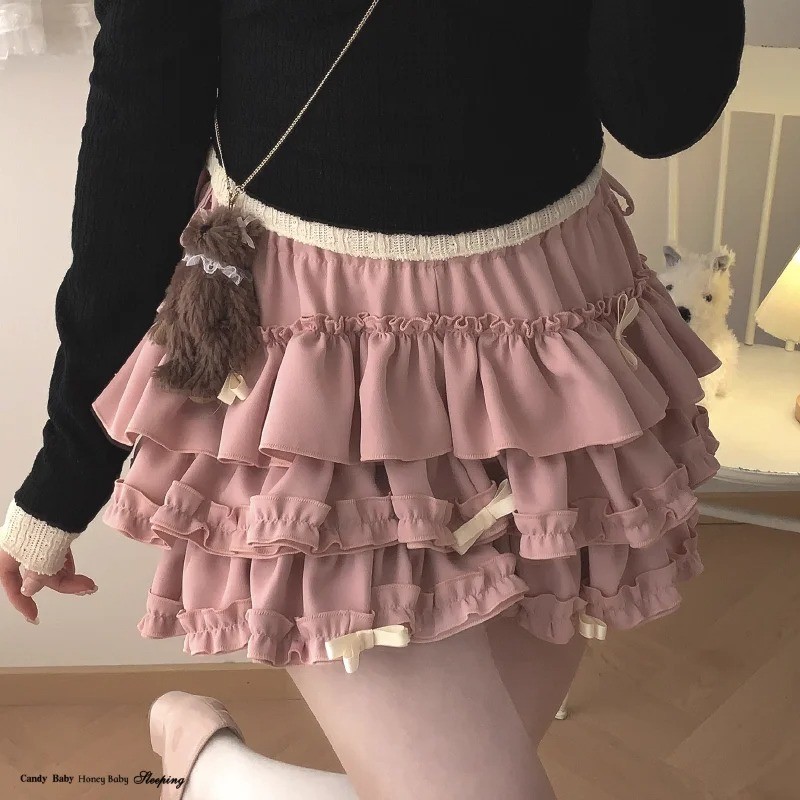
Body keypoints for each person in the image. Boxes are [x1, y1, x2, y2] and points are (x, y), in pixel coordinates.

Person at [0, 1, 745, 798]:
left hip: (551, 342)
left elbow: (660, 111)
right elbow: (142, 121)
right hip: (321, 368)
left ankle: (207, 764)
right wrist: (70, 467)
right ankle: (208, 764)